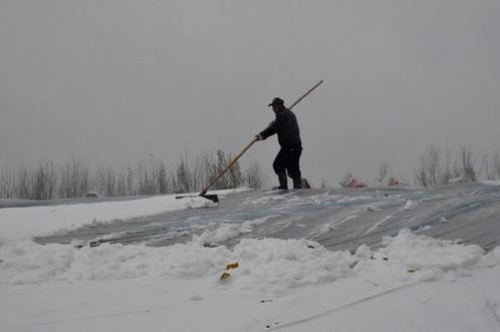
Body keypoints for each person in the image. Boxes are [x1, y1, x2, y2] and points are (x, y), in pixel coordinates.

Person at [255, 97, 303, 189]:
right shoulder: (287, 114)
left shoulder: (283, 115)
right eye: (272, 107)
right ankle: (299, 187)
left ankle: (284, 187)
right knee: (293, 169)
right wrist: (274, 124)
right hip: (296, 147)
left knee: (278, 165)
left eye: (275, 107)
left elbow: (273, 129)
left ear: (280, 106)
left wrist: (261, 135)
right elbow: (277, 126)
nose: (273, 109)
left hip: (289, 147)